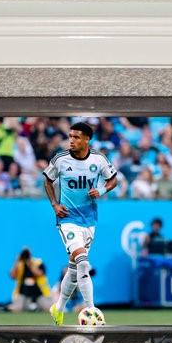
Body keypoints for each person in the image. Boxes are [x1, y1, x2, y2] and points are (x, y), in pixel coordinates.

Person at [41, 120, 119, 325]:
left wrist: (102, 190)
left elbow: (113, 179)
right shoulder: (60, 159)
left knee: (75, 269)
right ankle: (91, 310)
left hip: (89, 220)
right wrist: (54, 205)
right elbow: (48, 180)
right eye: (70, 136)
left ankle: (57, 308)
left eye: (76, 137)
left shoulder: (99, 160)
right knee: (83, 262)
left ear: (87, 139)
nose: (71, 141)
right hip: (67, 219)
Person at [8, 246, 51, 311]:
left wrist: (30, 263)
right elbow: (12, 276)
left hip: (39, 293)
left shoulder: (38, 262)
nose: (26, 256)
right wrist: (16, 261)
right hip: (23, 293)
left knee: (48, 308)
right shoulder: (19, 264)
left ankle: (37, 307)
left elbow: (39, 273)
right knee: (17, 309)